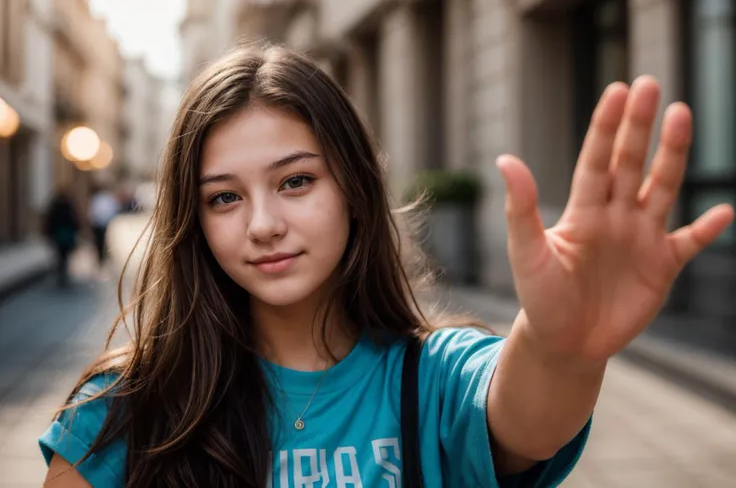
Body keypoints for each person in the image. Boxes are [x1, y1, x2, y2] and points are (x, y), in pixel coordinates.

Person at [39, 45, 734, 488]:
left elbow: (526, 411)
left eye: (295, 181)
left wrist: (563, 346)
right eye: (224, 197)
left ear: (354, 188)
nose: (262, 223)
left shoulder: (435, 379)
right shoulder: (124, 407)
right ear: (193, 222)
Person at [43, 187, 81, 287]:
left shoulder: (55, 207)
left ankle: (62, 270)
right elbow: (75, 220)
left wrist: (49, 233)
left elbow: (50, 221)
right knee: (64, 254)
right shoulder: (69, 207)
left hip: (59, 234)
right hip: (66, 234)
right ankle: (63, 270)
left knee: (61, 254)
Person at [88, 183, 121, 267]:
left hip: (99, 223)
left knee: (100, 240)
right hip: (102, 223)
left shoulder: (98, 198)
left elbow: (92, 211)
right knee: (101, 240)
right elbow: (114, 209)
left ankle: (102, 256)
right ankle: (102, 256)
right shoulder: (105, 198)